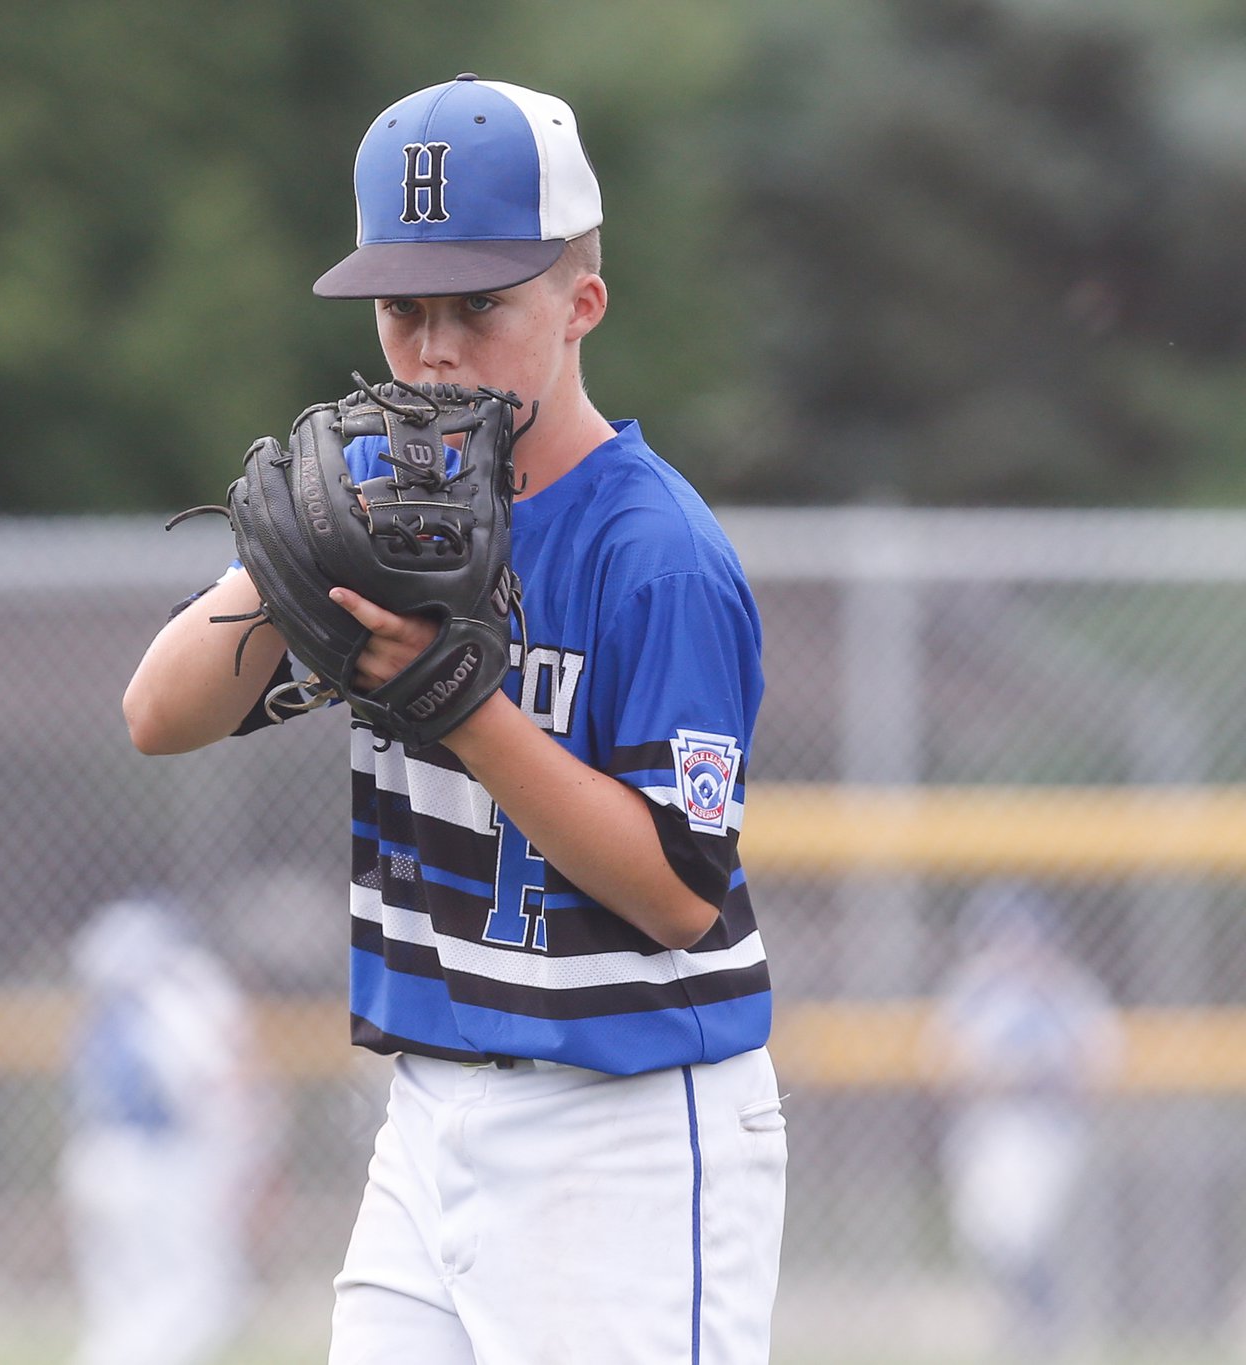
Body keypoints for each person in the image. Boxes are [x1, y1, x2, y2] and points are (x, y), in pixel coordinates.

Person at [123, 74, 787, 1363]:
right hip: (428, 1112)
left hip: (629, 1128)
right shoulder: (374, 511)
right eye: (402, 309)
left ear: (579, 301)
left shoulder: (650, 552)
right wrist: (283, 560)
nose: (432, 351)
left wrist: (462, 708)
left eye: (478, 306)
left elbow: (677, 897)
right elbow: (157, 715)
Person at [59, 897, 275, 1365]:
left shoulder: (104, 1013)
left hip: (96, 1158)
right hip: (164, 1164)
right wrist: (247, 1149)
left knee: (118, 1312)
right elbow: (213, 1083)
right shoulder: (177, 997)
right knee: (203, 1301)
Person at [924, 882, 1121, 1360]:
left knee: (1022, 1230)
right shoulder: (973, 992)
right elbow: (940, 1066)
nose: (1016, 951)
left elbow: (1102, 1063)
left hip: (1048, 1132)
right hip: (983, 1131)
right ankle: (1034, 1319)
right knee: (986, 1235)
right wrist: (1000, 1075)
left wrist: (1040, 1073)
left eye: (1026, 939)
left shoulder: (1068, 991)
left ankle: (1045, 1323)